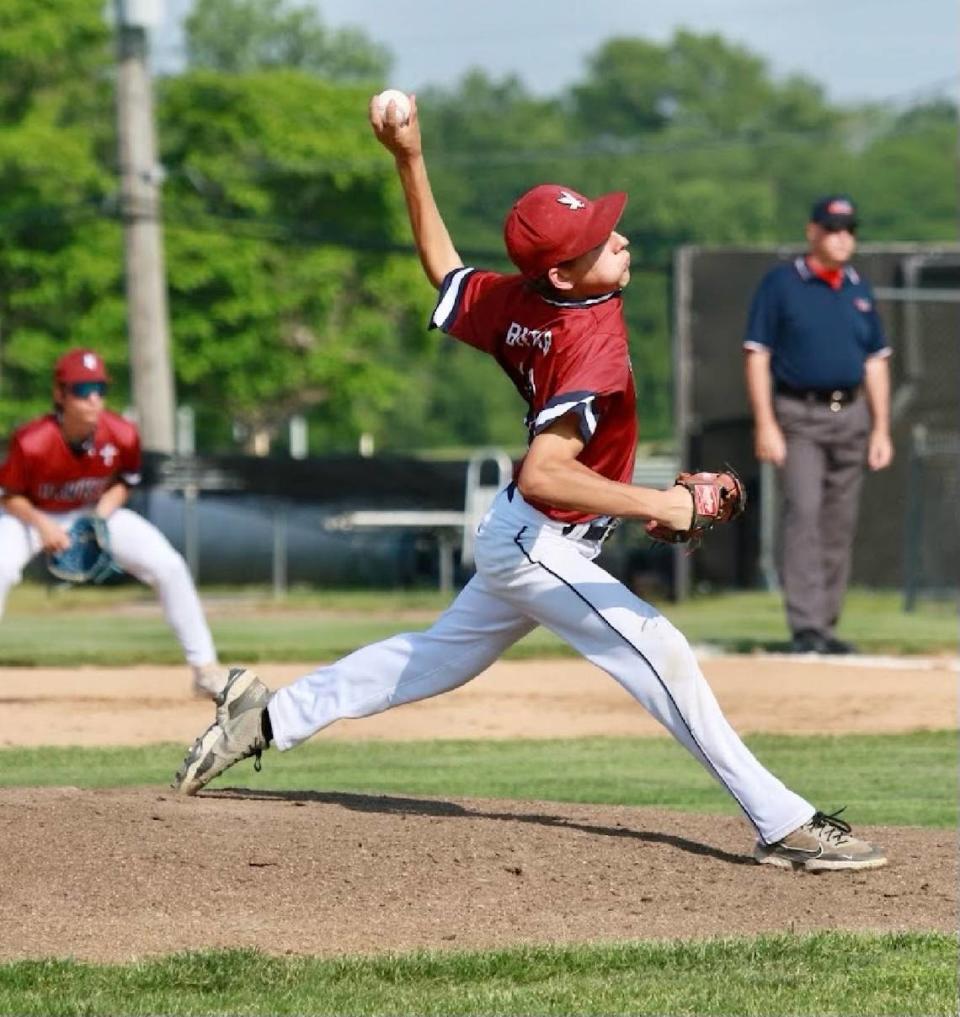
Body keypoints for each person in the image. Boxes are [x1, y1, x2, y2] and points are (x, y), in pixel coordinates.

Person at [172, 95, 887, 872]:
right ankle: (781, 821)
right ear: (560, 269)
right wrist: (662, 500)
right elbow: (547, 467)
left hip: (524, 530)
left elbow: (445, 273)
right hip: (537, 536)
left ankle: (265, 717)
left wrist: (409, 159)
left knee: (430, 661)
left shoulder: (522, 299)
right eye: (594, 240)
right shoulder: (589, 340)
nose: (616, 239)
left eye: (605, 226)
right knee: (660, 649)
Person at [0, 348, 225, 699]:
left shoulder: (122, 434)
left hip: (95, 510)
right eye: (81, 389)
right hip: (32, 515)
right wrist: (44, 526)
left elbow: (126, 482)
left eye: (99, 388)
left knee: (168, 565)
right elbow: (8, 495)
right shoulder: (32, 441)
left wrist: (98, 520)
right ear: (59, 394)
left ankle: (205, 669)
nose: (93, 398)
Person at [743, 195, 894, 655]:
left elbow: (875, 363)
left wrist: (881, 427)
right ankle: (805, 626)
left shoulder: (858, 289)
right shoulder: (782, 284)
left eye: (849, 229)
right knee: (805, 513)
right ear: (813, 232)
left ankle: (826, 626)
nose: (842, 237)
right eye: (832, 228)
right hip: (798, 415)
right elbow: (757, 355)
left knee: (838, 523)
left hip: (851, 415)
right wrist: (765, 423)